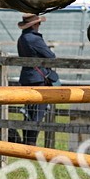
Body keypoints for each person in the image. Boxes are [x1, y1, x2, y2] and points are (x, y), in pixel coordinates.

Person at [16, 13, 59, 146]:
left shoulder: (22, 38)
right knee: (38, 114)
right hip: (38, 79)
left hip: (27, 78)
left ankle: (27, 142)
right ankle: (31, 143)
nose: (39, 26)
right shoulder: (34, 39)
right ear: (35, 24)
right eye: (39, 23)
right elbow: (51, 56)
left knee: (29, 112)